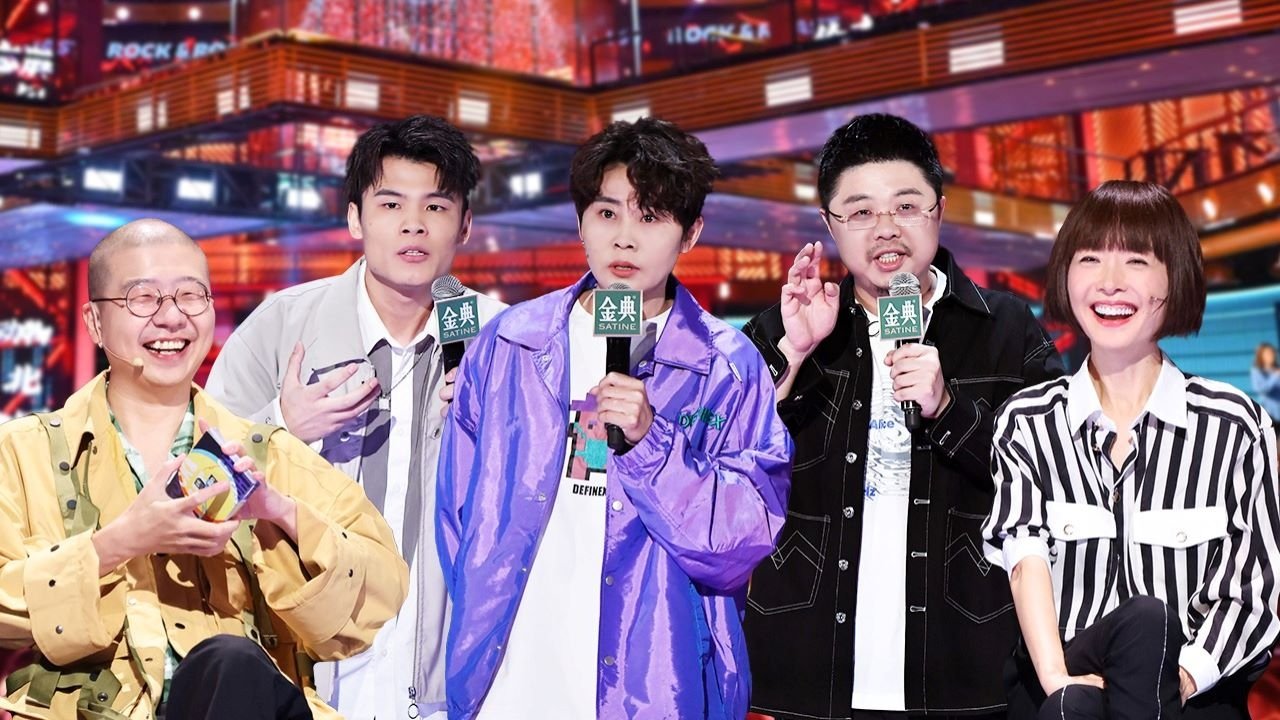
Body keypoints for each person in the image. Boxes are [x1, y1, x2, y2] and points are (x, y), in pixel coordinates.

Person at [435, 117, 792, 719]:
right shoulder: (511, 343)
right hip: (512, 678)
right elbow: (458, 515)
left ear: (691, 233)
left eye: (650, 218)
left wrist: (652, 441)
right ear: (581, 223)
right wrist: (480, 614)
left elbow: (743, 539)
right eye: (606, 214)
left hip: (656, 682)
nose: (624, 239)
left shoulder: (727, 368)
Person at [0, 219, 408, 720]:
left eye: (190, 296)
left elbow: (381, 592)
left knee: (231, 662)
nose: (172, 318)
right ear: (94, 322)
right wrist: (117, 544)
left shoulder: (270, 454)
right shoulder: (21, 453)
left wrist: (280, 513)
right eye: (143, 298)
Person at [741, 113, 1064, 720]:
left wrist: (948, 410)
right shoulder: (787, 328)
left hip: (966, 673)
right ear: (830, 225)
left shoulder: (1007, 329)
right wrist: (792, 357)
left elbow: (1056, 479)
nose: (886, 228)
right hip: (809, 676)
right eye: (861, 211)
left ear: (939, 210)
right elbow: (728, 469)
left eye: (906, 206)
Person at [206, 115, 504, 720]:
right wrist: (281, 426)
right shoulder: (283, 326)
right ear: (354, 218)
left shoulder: (502, 340)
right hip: (305, 673)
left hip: (452, 678)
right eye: (391, 204)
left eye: (436, 207)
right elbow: (195, 485)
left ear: (466, 225)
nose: (414, 225)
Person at [983, 180, 1280, 720]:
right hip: (1065, 686)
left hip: (1190, 692)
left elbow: (1254, 589)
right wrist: (1061, 683)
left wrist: (1170, 686)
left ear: (1175, 277)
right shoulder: (1028, 422)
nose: (1110, 283)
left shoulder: (1235, 425)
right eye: (1090, 259)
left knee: (1148, 622)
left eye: (1137, 261)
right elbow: (1025, 561)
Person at [1252, 342, 1280, 423]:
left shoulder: (1276, 369)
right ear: (1261, 356)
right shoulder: (1257, 371)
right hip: (1270, 414)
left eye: (1272, 353)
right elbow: (1262, 389)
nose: (1271, 356)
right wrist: (1275, 376)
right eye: (1267, 354)